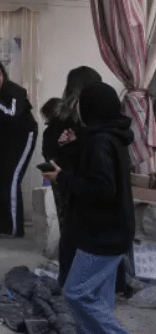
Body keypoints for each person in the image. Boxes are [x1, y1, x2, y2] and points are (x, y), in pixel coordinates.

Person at [42, 82, 151, 334]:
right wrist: (71, 148)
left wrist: (63, 179)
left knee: (76, 292)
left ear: (91, 108)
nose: (77, 109)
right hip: (109, 230)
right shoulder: (107, 137)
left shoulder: (99, 142)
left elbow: (102, 188)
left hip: (102, 233)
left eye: (81, 104)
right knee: (96, 300)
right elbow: (94, 171)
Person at [42, 66, 102, 286]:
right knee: (81, 230)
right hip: (78, 180)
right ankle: (78, 278)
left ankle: (69, 278)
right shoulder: (85, 117)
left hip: (64, 179)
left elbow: (49, 148)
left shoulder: (61, 115)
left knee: (68, 228)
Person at [0, 60, 37, 237]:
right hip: (3, 139)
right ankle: (3, 225)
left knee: (11, 178)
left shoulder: (13, 91)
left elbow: (12, 115)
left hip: (22, 136)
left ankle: (14, 228)